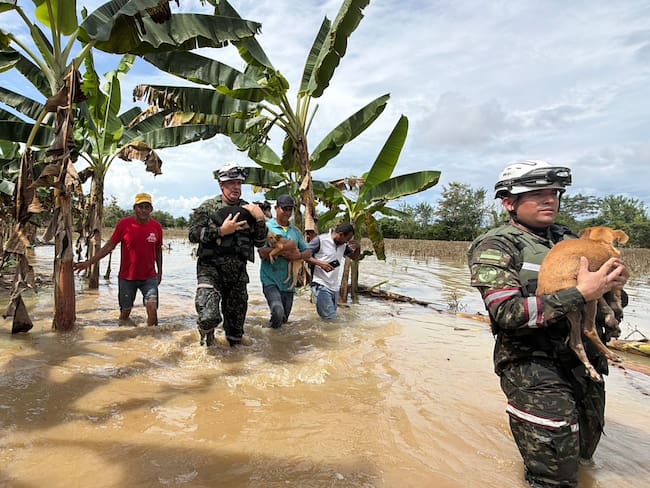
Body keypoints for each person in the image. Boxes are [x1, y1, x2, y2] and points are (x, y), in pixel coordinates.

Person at [467, 160, 628, 488]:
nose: (549, 200)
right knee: (553, 477)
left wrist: (615, 288)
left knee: (585, 459)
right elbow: (506, 312)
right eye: (536, 194)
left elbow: (608, 302)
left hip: (585, 365)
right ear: (509, 202)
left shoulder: (569, 238)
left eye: (553, 193)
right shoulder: (497, 245)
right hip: (533, 367)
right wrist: (580, 292)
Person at [188, 162, 268, 347]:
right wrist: (221, 231)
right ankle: (205, 339)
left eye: (239, 183)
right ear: (221, 185)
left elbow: (260, 242)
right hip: (210, 269)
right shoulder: (208, 208)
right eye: (231, 182)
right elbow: (192, 235)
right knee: (208, 316)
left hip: (237, 274)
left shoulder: (249, 209)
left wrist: (260, 220)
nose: (236, 187)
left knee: (235, 335)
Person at [74, 192, 163, 327]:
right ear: (134, 208)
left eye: (146, 207)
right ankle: (123, 335)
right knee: (125, 313)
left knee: (152, 308)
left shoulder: (157, 227)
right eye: (140, 207)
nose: (143, 210)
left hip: (149, 277)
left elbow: (158, 250)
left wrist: (160, 272)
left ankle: (151, 339)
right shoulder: (124, 224)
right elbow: (109, 246)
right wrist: (88, 263)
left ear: (151, 209)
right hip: (127, 278)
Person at [258, 195, 312, 329]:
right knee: (277, 311)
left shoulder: (295, 232)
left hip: (288, 284)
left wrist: (298, 255)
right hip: (270, 279)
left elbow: (308, 251)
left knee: (284, 320)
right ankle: (269, 338)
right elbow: (261, 253)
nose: (288, 212)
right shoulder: (266, 228)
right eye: (284, 209)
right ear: (276, 208)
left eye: (290, 209)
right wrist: (286, 250)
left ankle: (277, 344)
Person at [305, 223, 361, 320]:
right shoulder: (321, 240)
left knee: (329, 319)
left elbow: (355, 258)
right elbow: (304, 255)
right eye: (347, 239)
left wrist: (358, 247)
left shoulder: (343, 245)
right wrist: (321, 264)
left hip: (334, 287)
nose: (347, 242)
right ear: (340, 234)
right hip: (321, 284)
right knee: (330, 318)